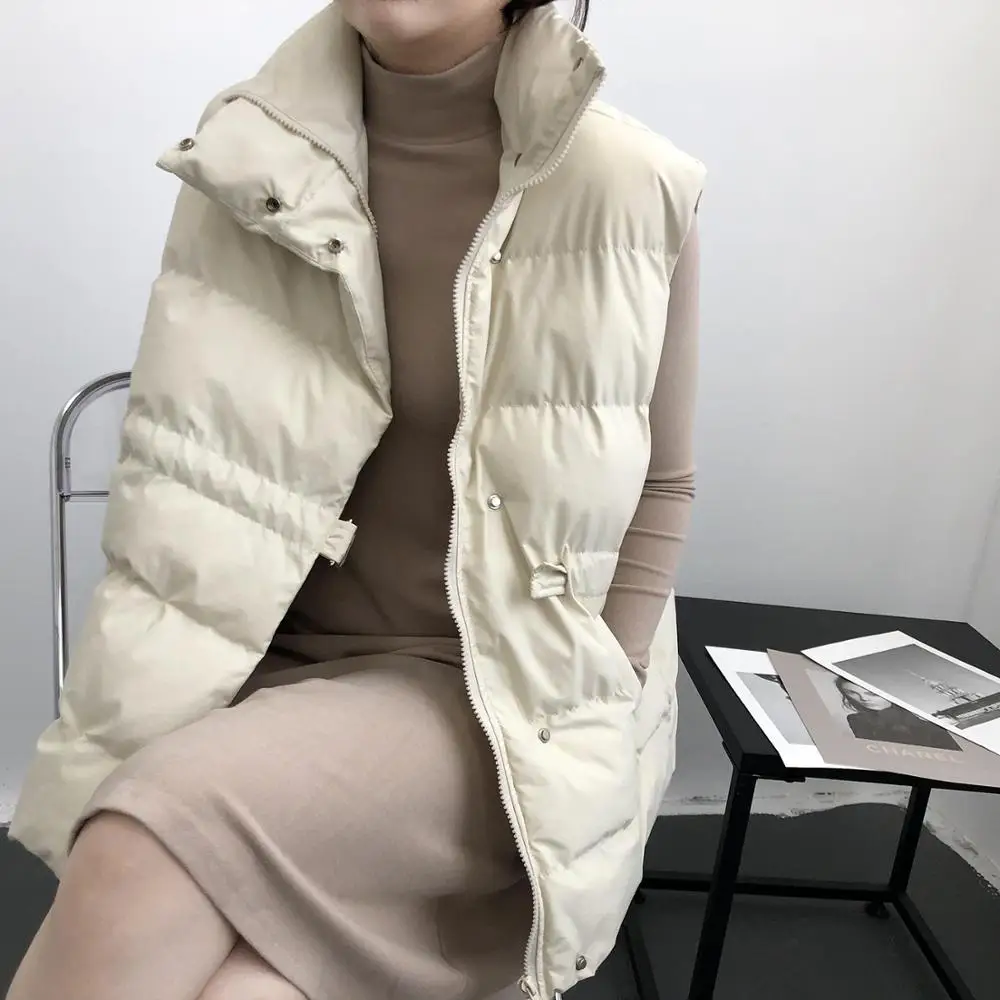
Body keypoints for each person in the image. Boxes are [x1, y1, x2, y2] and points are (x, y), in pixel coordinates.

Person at [7, 2, 704, 1000]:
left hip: (486, 689)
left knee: (137, 839)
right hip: (259, 661)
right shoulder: (248, 152)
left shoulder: (628, 182)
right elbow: (186, 461)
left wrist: (597, 706)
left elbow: (663, 485)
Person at [835, 677, 960, 750]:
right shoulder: (858, 720)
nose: (863, 699)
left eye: (872, 693)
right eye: (852, 693)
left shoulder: (927, 714)